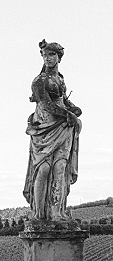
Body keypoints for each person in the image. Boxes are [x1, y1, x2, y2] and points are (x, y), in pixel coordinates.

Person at [23, 40, 82, 221]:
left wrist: (74, 109)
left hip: (62, 126)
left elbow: (62, 99)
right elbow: (47, 104)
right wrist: (68, 115)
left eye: (51, 55)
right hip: (45, 128)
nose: (47, 58)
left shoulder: (60, 79)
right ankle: (39, 213)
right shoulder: (39, 81)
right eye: (44, 55)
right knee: (44, 168)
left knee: (60, 166)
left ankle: (57, 212)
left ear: (59, 57)